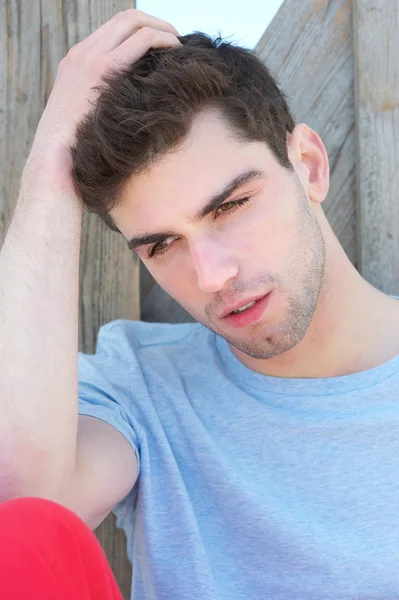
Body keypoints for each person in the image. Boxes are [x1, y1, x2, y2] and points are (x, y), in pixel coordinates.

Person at [1, 7, 399, 600]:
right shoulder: (139, 386)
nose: (212, 275)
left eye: (231, 206)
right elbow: (24, 508)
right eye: (162, 245)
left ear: (309, 166)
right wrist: (50, 165)